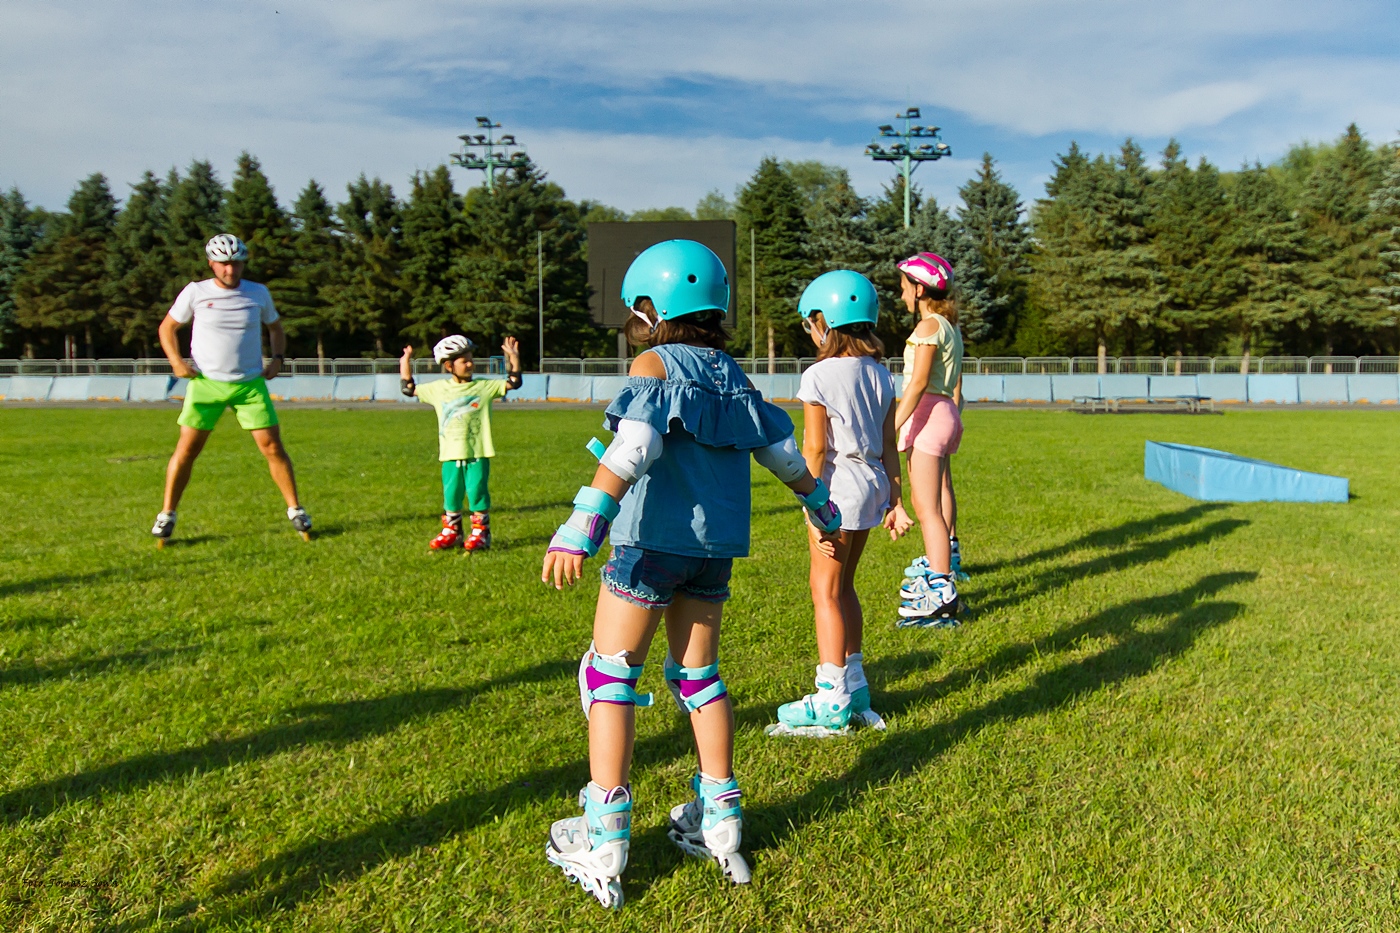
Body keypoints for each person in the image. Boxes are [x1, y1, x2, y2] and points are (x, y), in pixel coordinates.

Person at [539, 240, 842, 909]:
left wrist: (583, 523)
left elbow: (637, 444)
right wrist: (819, 502)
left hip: (648, 544)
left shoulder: (654, 361)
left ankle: (604, 836)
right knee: (698, 676)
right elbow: (782, 450)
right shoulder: (732, 373)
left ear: (651, 307)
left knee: (608, 672)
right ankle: (721, 819)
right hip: (714, 551)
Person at [768, 271, 912, 738]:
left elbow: (813, 448)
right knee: (846, 587)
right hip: (871, 486)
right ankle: (856, 687)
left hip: (836, 491)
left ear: (825, 323)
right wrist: (896, 497)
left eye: (813, 322)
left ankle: (831, 700)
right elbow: (889, 444)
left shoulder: (818, 375)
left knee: (824, 592)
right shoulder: (880, 373)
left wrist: (807, 496)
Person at [151, 234, 310, 546]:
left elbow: (275, 327)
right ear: (211, 263)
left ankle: (296, 510)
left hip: (249, 385)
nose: (230, 270)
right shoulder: (196, 291)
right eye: (223, 263)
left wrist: (277, 359)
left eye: (235, 263)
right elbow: (167, 327)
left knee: (273, 448)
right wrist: (176, 362)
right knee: (187, 450)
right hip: (205, 384)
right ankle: (167, 514)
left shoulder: (258, 292)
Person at [892, 252, 966, 626]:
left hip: (929, 416)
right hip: (945, 414)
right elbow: (954, 384)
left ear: (919, 288)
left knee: (926, 510)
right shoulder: (949, 325)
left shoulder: (927, 328)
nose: (902, 295)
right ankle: (943, 570)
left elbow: (918, 382)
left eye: (905, 288)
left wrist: (892, 425)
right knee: (937, 500)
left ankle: (939, 592)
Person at [399, 335, 523, 551]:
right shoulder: (438, 389)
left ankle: (481, 533)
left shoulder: (484, 387)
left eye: (470, 359)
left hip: (478, 450)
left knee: (477, 491)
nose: (470, 364)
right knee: (452, 492)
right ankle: (452, 531)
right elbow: (408, 388)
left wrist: (514, 358)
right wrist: (405, 362)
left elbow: (514, 382)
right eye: (464, 361)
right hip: (450, 452)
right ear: (449, 366)